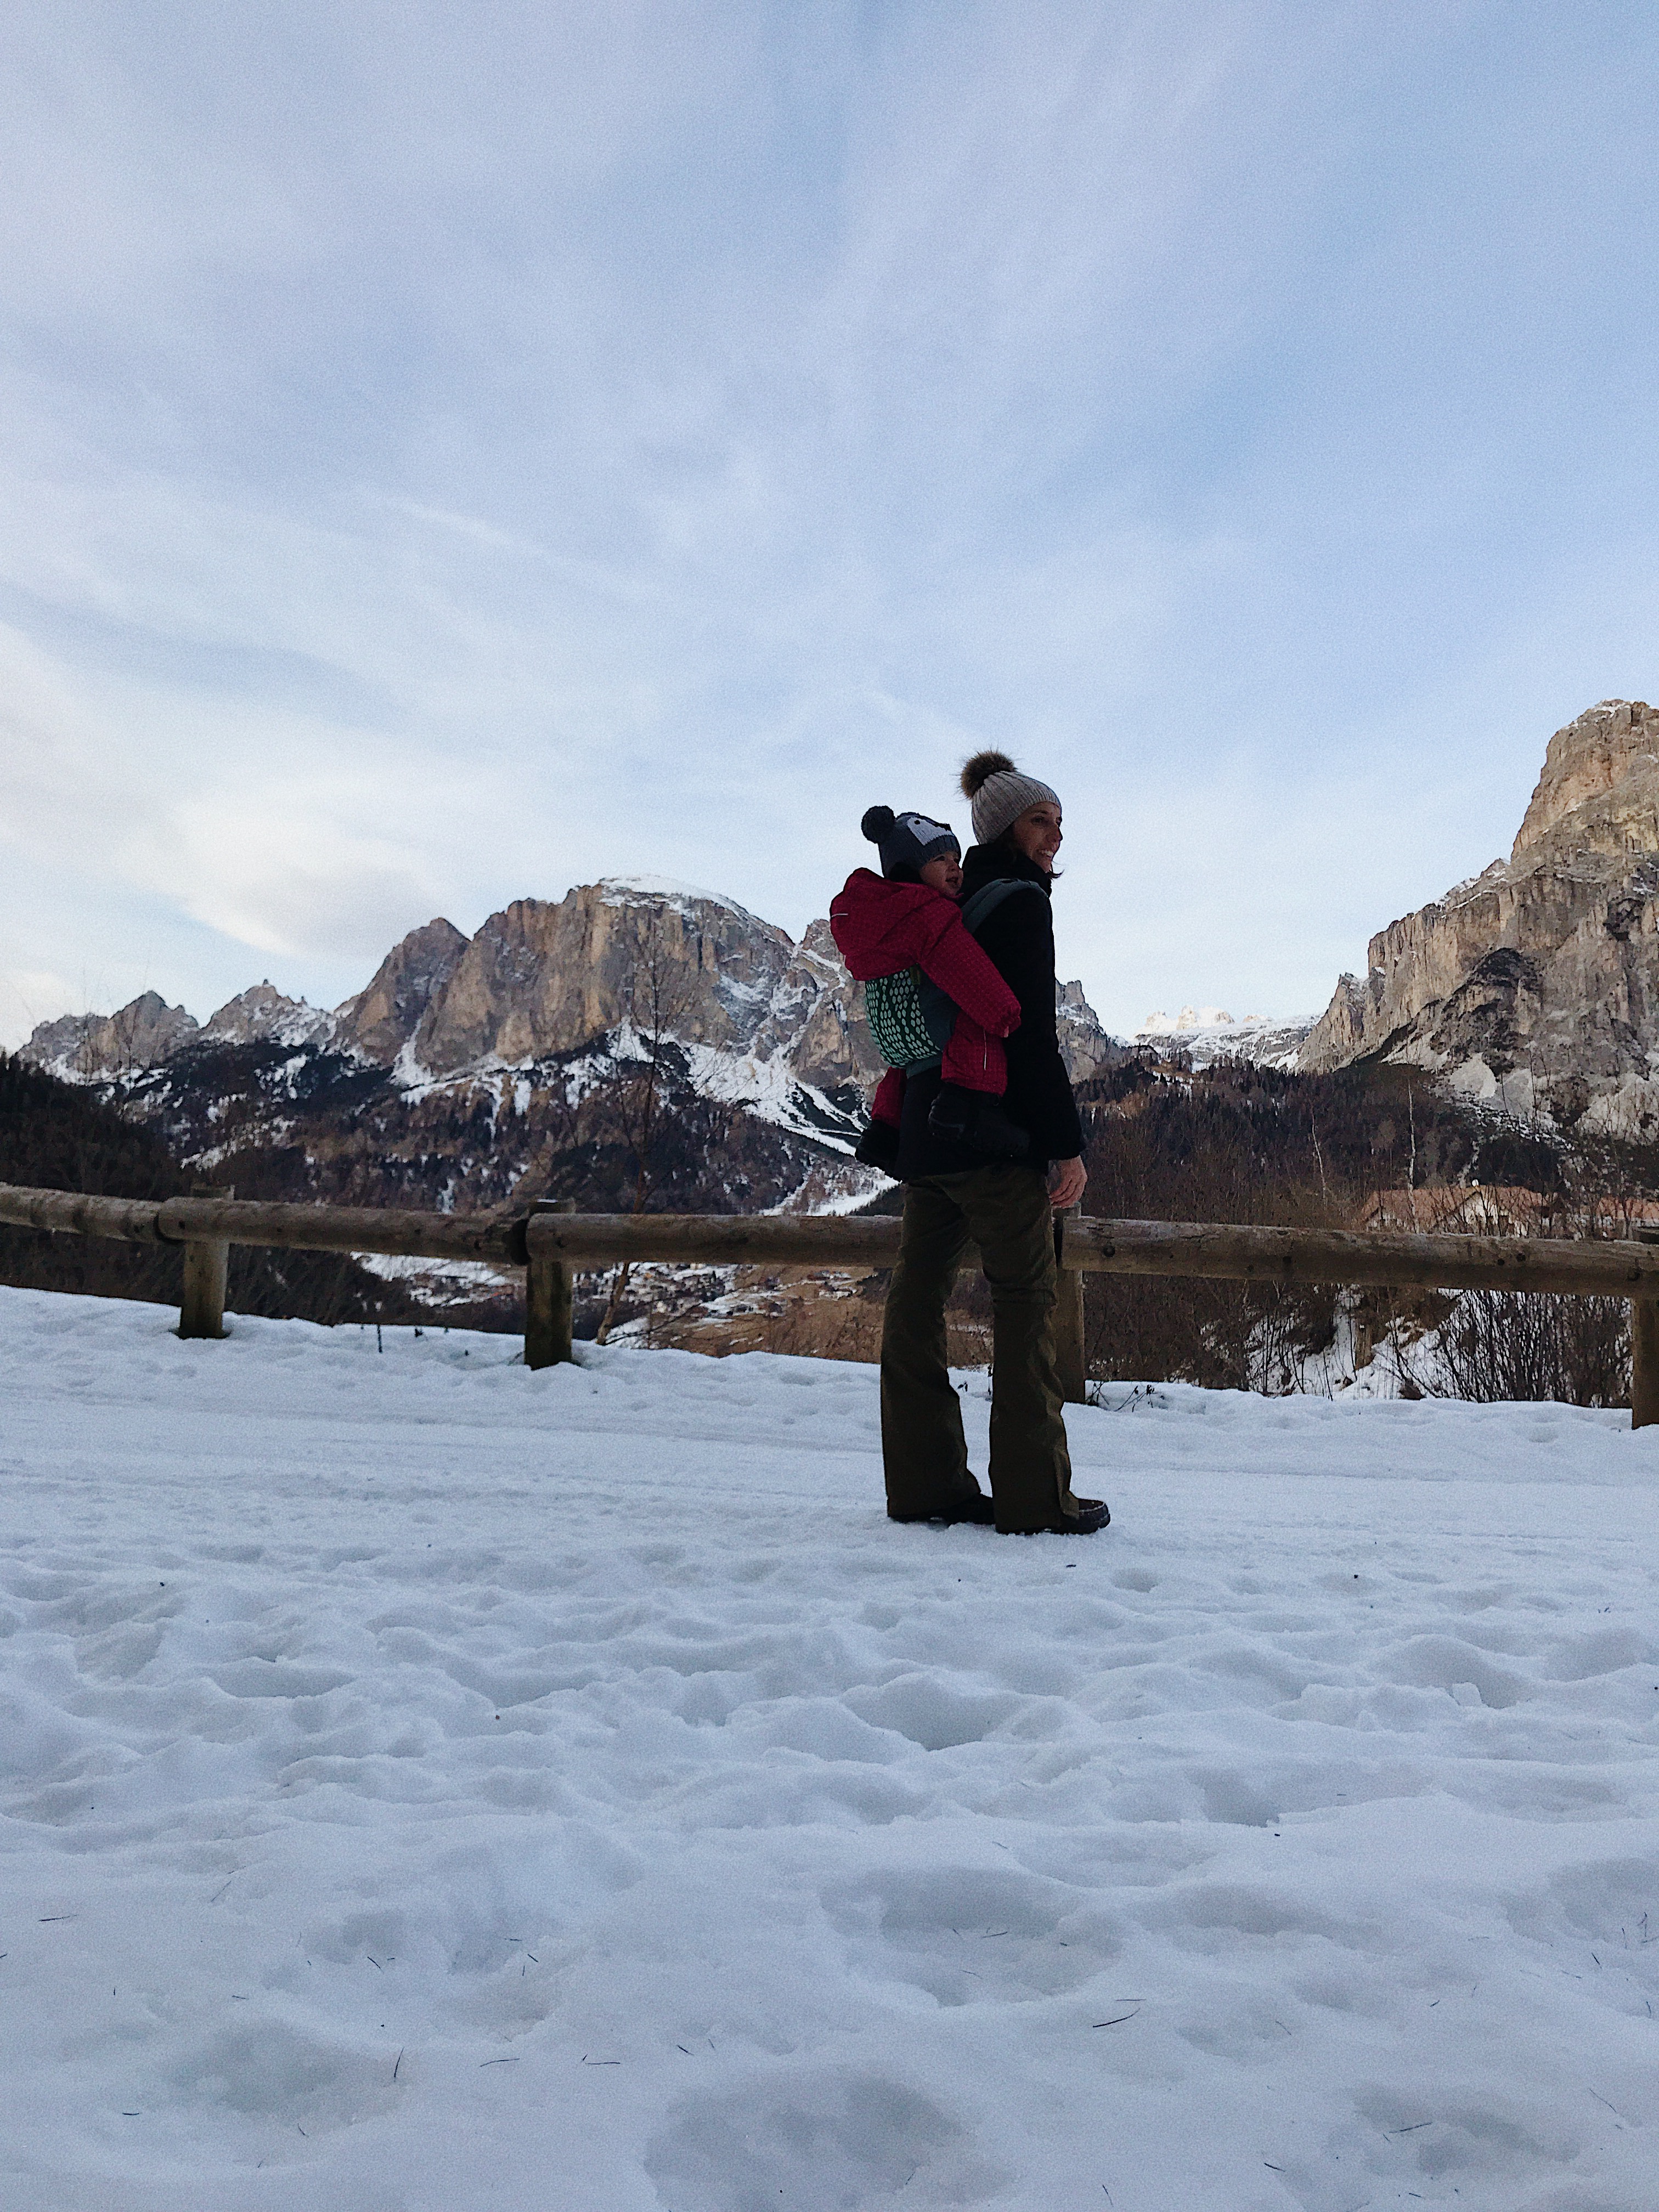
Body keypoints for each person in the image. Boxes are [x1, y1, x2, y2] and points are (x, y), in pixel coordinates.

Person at [878, 751, 1108, 1535]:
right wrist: (1065, 1145)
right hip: (988, 1140)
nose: (1056, 836)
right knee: (1024, 1304)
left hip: (925, 1140)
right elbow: (1032, 1037)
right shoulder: (1018, 904)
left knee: (914, 1303)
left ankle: (924, 1485)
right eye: (1042, 820)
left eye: (1059, 823)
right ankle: (1034, 1498)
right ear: (1005, 825)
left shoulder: (946, 898)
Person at [829, 805, 1030, 1173]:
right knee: (975, 1029)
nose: (956, 868)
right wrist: (1004, 1012)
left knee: (901, 1072)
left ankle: (884, 1132)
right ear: (909, 868)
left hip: (893, 1035)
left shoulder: (873, 922)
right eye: (940, 859)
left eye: (956, 857)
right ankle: (973, 1109)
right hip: (933, 1028)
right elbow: (965, 970)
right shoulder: (928, 913)